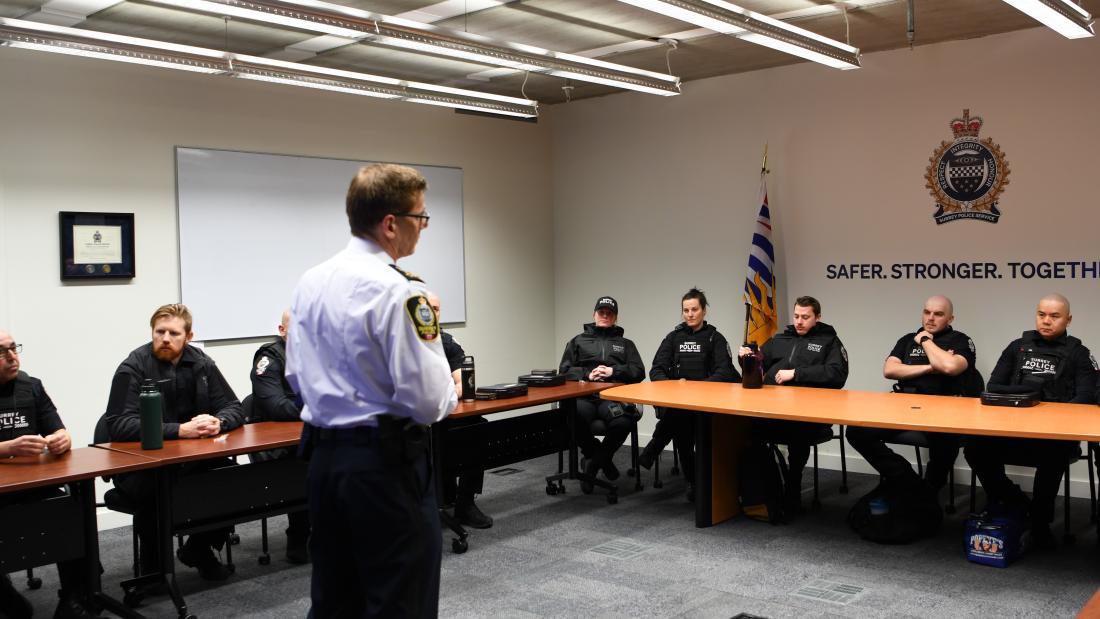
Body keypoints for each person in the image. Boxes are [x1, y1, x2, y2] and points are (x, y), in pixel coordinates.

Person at [286, 163, 457, 618]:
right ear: (390, 224)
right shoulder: (398, 292)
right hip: (385, 465)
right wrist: (450, 391)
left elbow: (296, 376)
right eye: (419, 218)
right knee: (400, 601)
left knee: (335, 600)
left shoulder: (310, 283)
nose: (421, 228)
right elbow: (427, 401)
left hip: (325, 462)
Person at [105, 303, 244, 581]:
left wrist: (220, 422)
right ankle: (153, 570)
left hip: (192, 460)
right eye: (160, 332)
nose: (165, 338)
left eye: (174, 333)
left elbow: (234, 406)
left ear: (189, 336)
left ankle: (198, 549)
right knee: (158, 489)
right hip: (143, 465)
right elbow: (118, 424)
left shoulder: (202, 363)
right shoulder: (133, 366)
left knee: (232, 478)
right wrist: (179, 430)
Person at [964, 293, 1098, 548]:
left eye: (1054, 316)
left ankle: (1040, 522)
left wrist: (1045, 413)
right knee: (975, 448)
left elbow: (1085, 399)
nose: (1046, 321)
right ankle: (1010, 499)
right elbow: (994, 387)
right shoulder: (1018, 346)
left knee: (1053, 456)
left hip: (1054, 436)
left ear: (1068, 320)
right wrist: (1029, 399)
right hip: (1013, 430)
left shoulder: (1079, 354)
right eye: (1041, 314)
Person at [0, 331, 102, 619]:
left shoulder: (31, 386)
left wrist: (61, 438)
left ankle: (73, 596)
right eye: (1, 352)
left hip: (32, 483)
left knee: (69, 510)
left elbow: (57, 428)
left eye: (13, 348)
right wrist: (7, 447)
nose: (11, 357)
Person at [846, 295, 975, 501]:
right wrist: (931, 367)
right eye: (927, 312)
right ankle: (907, 479)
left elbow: (950, 367)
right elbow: (889, 370)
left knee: (946, 440)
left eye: (938, 314)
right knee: (856, 431)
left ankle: (929, 492)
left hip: (943, 407)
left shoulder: (961, 340)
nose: (930, 318)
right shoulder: (907, 339)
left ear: (950, 318)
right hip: (904, 405)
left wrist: (925, 340)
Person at [738, 296, 848, 513]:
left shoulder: (829, 341)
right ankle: (766, 488)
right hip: (774, 409)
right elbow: (759, 363)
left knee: (798, 435)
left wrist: (797, 373)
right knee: (747, 431)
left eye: (805, 317)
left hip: (809, 414)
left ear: (817, 317)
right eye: (797, 316)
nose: (799, 321)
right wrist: (747, 357)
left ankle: (792, 487)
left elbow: (837, 373)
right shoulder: (781, 338)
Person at [637, 287, 739, 502]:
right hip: (680, 401)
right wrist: (673, 387)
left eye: (694, 309)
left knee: (679, 420)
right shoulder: (673, 337)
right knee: (682, 423)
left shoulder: (715, 338)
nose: (690, 314)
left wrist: (698, 388)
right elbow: (656, 369)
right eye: (686, 310)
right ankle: (693, 480)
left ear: (704, 311)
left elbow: (725, 372)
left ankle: (655, 447)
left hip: (708, 404)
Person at [558, 296, 646, 491]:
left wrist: (613, 372)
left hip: (611, 398)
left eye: (610, 313)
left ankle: (592, 466)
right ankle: (603, 460)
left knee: (624, 422)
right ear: (594, 314)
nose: (605, 316)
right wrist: (587, 373)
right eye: (601, 312)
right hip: (584, 397)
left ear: (615, 317)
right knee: (572, 417)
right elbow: (563, 371)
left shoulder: (625, 344)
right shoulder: (577, 341)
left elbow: (639, 371)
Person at [427, 291, 493, 529]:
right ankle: (440, 497)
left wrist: (449, 392)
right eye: (427, 309)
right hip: (414, 421)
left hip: (445, 412)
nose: (432, 314)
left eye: (436, 309)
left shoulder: (445, 342)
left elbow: (465, 381)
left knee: (476, 425)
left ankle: (465, 502)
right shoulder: (406, 343)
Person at [249, 309, 310, 563]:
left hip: (306, 433)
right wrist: (320, 407)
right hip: (273, 446)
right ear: (282, 330)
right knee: (305, 463)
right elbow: (276, 407)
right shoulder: (270, 358)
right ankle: (299, 537)